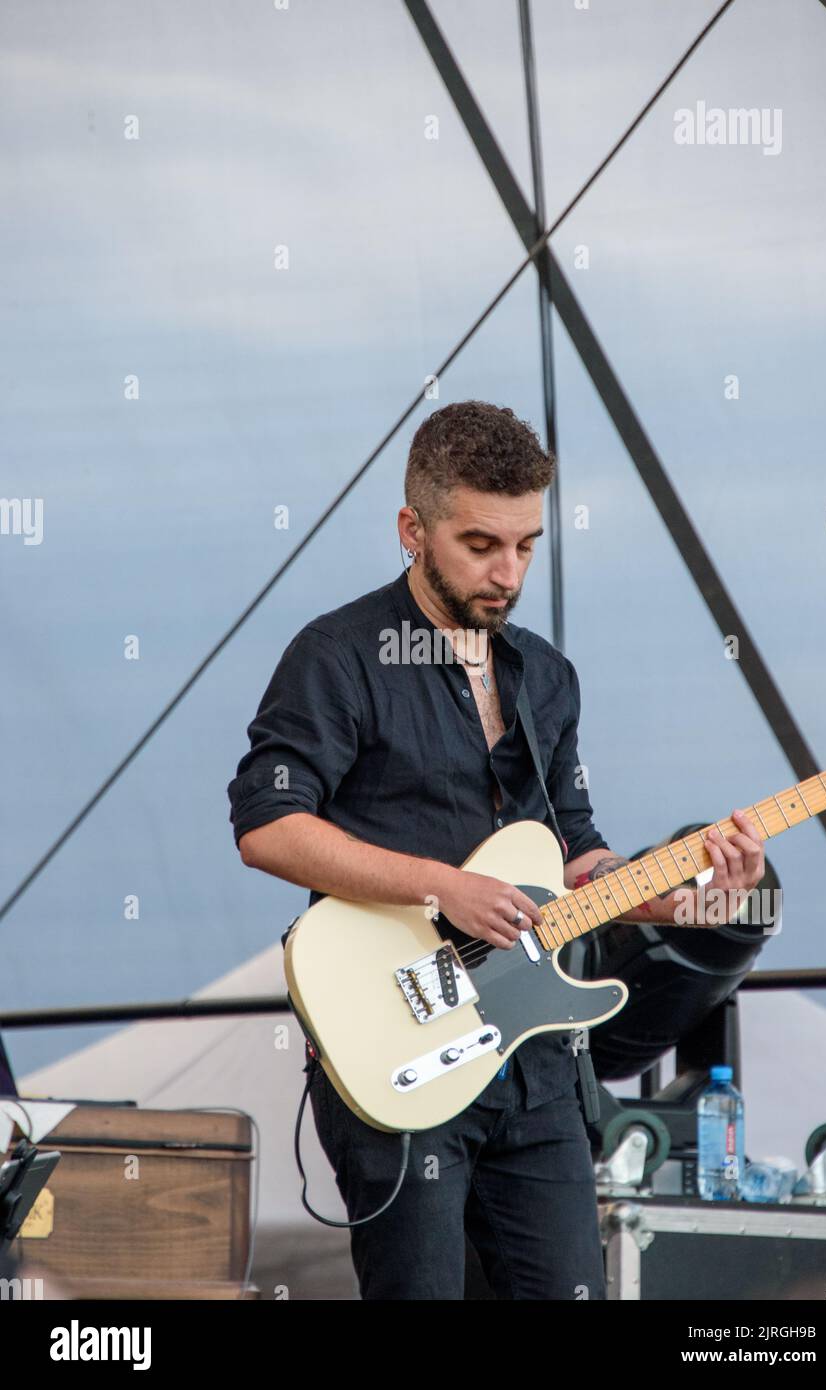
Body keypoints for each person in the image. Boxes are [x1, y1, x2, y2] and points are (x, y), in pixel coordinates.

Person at [227, 399, 764, 1300]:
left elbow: (576, 863)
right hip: (400, 1042)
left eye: (525, 545)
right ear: (413, 528)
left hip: (539, 1065)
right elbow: (267, 826)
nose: (506, 571)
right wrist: (441, 888)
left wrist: (686, 892)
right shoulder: (338, 656)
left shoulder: (545, 675)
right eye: (480, 544)